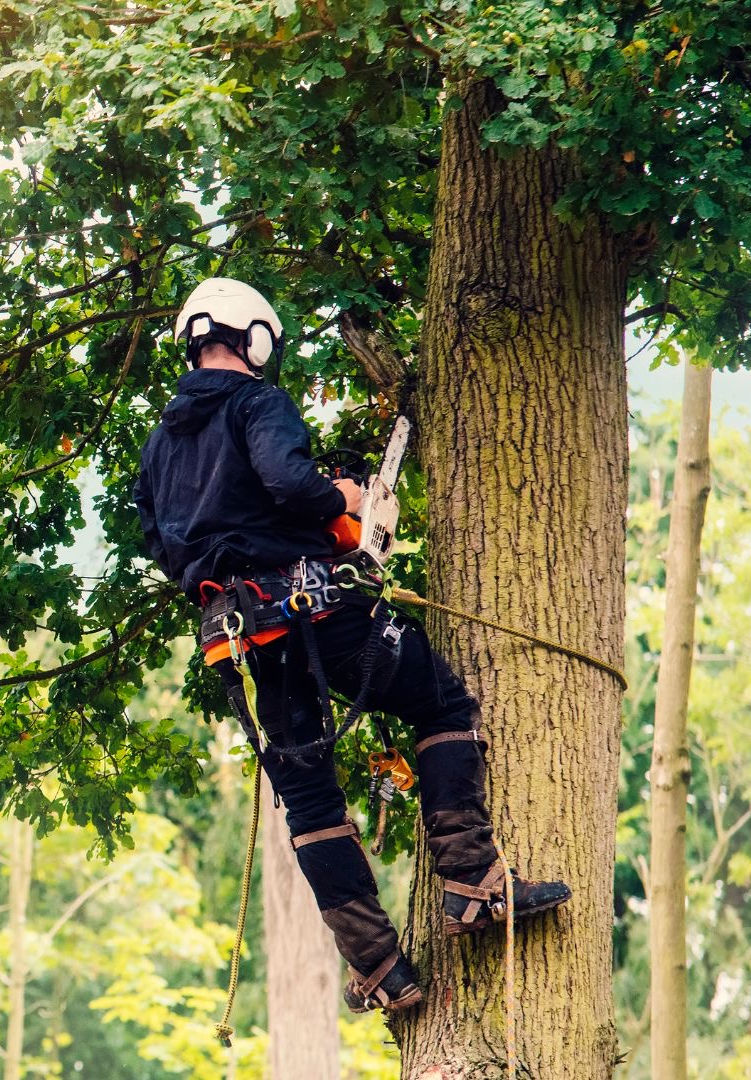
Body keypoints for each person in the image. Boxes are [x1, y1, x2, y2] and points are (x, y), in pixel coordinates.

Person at [131, 277, 570, 1013]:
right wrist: (349, 499)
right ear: (255, 338)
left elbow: (161, 544)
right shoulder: (256, 403)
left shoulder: (159, 446)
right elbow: (287, 481)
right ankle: (472, 883)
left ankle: (379, 968)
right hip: (310, 612)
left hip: (239, 641)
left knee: (308, 797)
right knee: (441, 701)